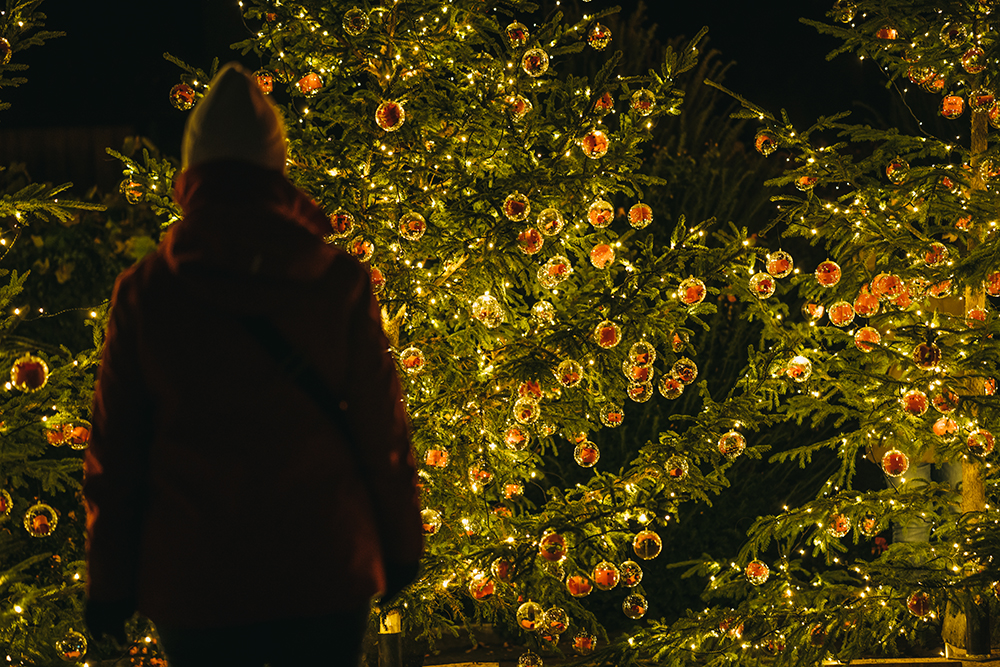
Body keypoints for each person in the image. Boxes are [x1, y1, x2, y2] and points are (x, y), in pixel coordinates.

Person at [82, 62, 423, 666]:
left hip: (197, 582)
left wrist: (108, 586)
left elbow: (117, 453)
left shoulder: (147, 293)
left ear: (191, 174)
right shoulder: (337, 282)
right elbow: (381, 431)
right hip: (324, 570)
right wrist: (399, 548)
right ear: (277, 168)